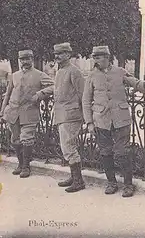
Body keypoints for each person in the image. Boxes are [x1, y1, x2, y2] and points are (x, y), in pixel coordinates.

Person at [82, 45, 145, 198]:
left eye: (99, 57)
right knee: (105, 152)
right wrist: (89, 122)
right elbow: (86, 100)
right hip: (101, 120)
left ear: (107, 57)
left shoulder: (119, 71)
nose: (96, 60)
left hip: (121, 119)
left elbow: (135, 83)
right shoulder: (91, 76)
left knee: (122, 152)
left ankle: (128, 185)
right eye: (95, 58)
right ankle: (111, 183)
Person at [0, 49, 54, 178]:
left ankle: (26, 167)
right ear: (20, 61)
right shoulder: (15, 75)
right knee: (15, 140)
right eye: (22, 59)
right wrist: (2, 111)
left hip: (29, 111)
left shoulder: (39, 75)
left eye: (27, 59)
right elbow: (8, 94)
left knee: (27, 138)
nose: (25, 62)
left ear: (32, 59)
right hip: (13, 112)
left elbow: (53, 86)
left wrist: (39, 94)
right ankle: (20, 164)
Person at [53, 42, 85, 193]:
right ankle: (74, 177)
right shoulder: (60, 71)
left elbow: (82, 95)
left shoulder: (74, 71)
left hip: (71, 115)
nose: (57, 57)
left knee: (69, 146)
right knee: (66, 147)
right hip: (61, 114)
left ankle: (79, 181)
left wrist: (84, 115)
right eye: (55, 54)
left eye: (60, 54)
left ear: (68, 54)